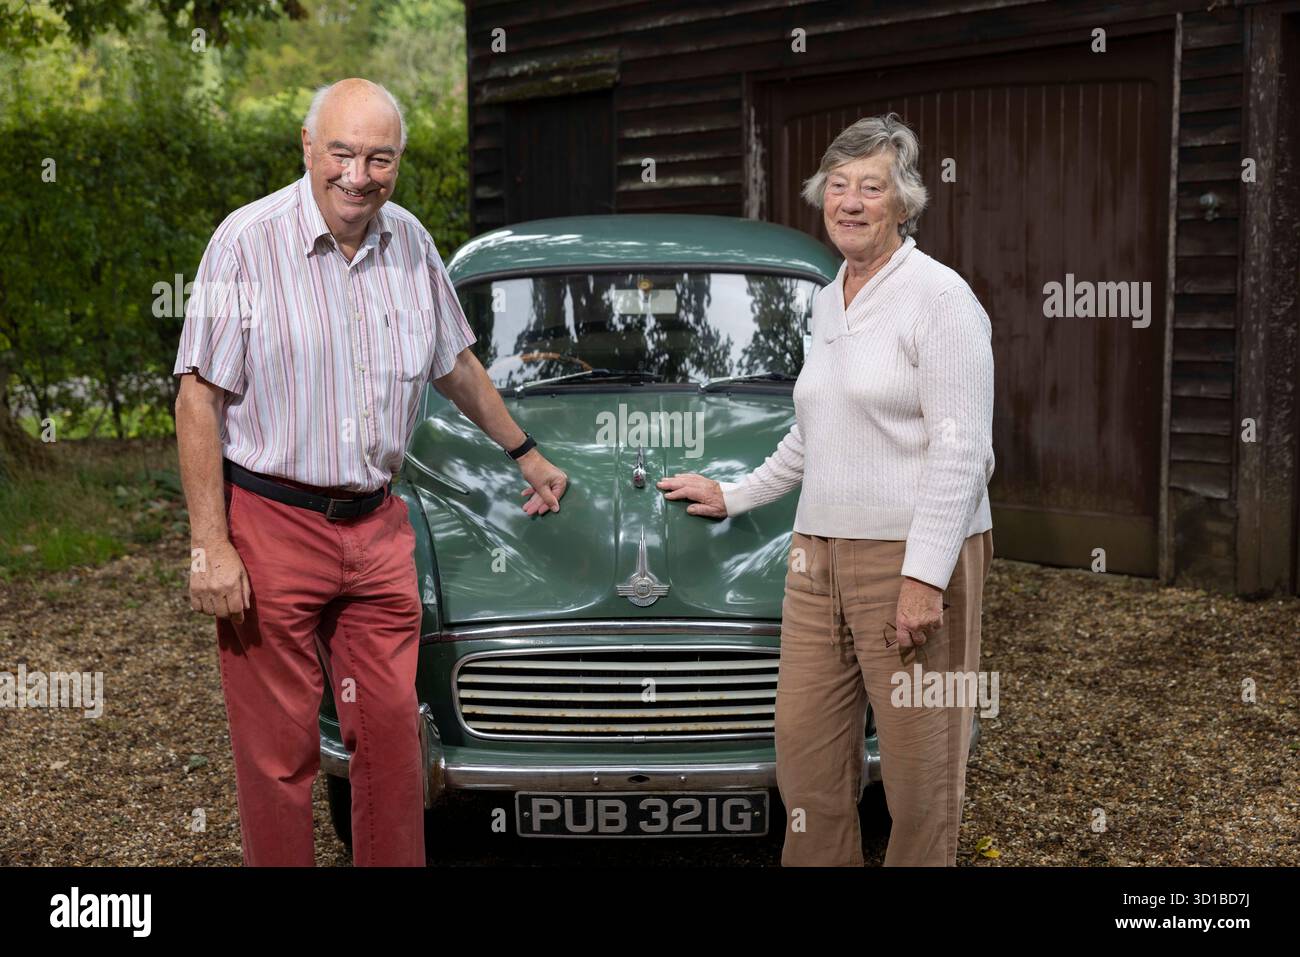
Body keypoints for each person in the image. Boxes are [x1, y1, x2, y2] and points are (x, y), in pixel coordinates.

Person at [173, 77, 567, 866]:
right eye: (343, 153)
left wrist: (524, 451)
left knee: (390, 738)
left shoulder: (411, 242)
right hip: (270, 523)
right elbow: (197, 397)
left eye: (379, 158)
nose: (360, 175)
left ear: (398, 163)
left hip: (378, 526)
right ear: (308, 149)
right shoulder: (244, 243)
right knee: (279, 750)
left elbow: (453, 362)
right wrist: (208, 544)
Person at [658, 113, 994, 866]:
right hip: (817, 559)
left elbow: (963, 449)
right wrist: (736, 495)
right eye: (836, 185)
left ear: (902, 202)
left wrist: (923, 575)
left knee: (919, 778)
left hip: (909, 556)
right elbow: (816, 433)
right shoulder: (828, 297)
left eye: (870, 186)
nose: (849, 200)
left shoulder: (940, 297)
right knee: (807, 765)